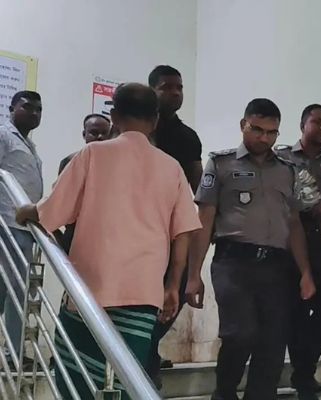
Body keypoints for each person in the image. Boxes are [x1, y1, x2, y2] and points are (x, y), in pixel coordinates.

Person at [15, 83, 201, 399]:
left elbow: (51, 211)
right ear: (155, 120)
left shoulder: (92, 154)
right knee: (126, 376)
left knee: (77, 376)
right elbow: (183, 230)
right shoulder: (171, 167)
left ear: (113, 116)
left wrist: (24, 211)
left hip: (90, 288)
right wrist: (172, 284)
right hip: (143, 291)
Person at [188, 98, 316, 400]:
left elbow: (294, 224)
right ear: (243, 125)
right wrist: (193, 275)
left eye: (272, 132)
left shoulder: (288, 170)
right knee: (240, 333)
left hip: (277, 267)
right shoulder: (221, 163)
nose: (264, 138)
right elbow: (204, 219)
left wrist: (306, 272)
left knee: (273, 343)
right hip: (234, 263)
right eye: (257, 129)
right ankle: (224, 393)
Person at [275, 104, 321, 400]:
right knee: (296, 312)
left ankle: (304, 368)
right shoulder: (283, 157)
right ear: (303, 125)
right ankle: (303, 376)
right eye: (317, 122)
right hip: (290, 244)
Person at [146, 64, 204, 385]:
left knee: (176, 291)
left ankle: (147, 349)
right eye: (167, 87)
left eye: (179, 87)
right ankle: (145, 356)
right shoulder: (137, 130)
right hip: (138, 228)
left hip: (173, 230)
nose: (175, 93)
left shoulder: (187, 137)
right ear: (152, 90)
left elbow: (197, 186)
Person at [0, 90, 43, 370]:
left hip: (25, 228)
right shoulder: (4, 135)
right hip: (7, 224)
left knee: (16, 291)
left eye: (38, 109)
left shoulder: (28, 143)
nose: (34, 113)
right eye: (27, 107)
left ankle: (13, 353)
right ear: (11, 108)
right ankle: (12, 355)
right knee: (13, 290)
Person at [55, 113, 112, 253]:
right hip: (76, 234)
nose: (100, 137)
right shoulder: (70, 162)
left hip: (108, 236)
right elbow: (61, 201)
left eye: (104, 133)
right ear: (84, 134)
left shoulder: (118, 164)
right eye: (94, 132)